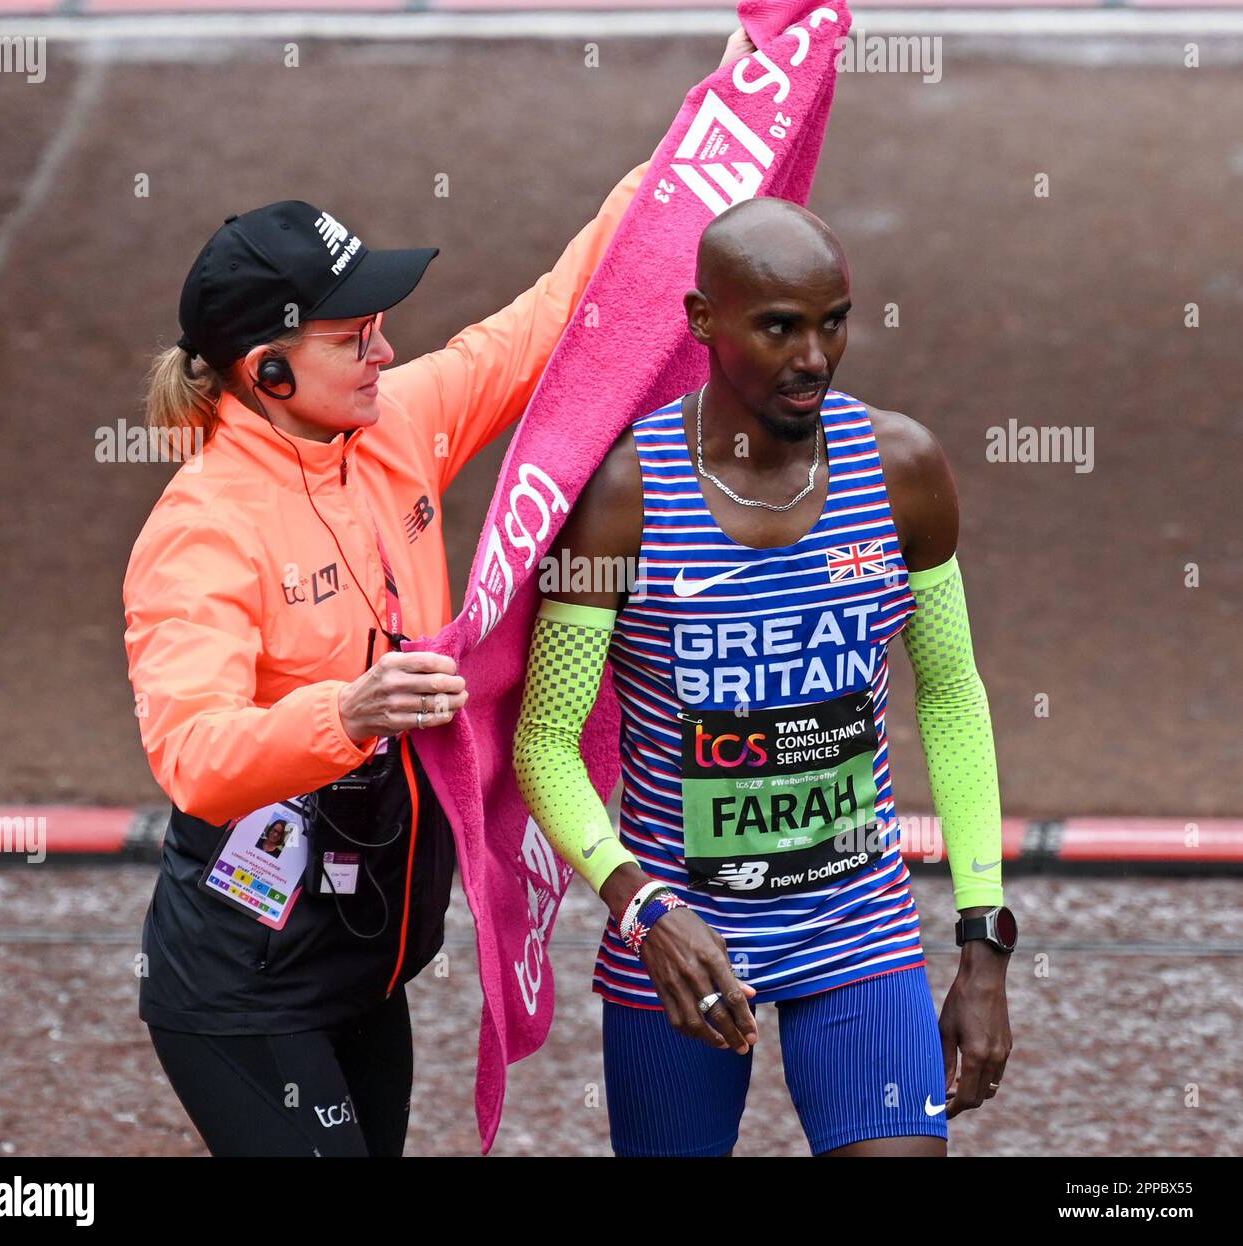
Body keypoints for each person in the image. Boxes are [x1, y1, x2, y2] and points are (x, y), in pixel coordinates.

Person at [123, 27, 758, 1159]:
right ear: (269, 370)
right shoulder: (198, 531)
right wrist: (347, 712)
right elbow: (194, 756)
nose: (385, 349)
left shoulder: (394, 421)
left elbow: (559, 311)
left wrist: (717, 118)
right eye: (355, 334)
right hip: (243, 988)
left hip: (370, 963)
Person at [514, 197, 1016, 1157]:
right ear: (704, 320)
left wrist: (983, 938)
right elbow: (544, 740)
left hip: (860, 923)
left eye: (834, 323)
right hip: (683, 939)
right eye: (780, 327)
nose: (815, 356)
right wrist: (641, 908)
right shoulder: (624, 498)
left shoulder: (902, 469)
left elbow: (952, 694)